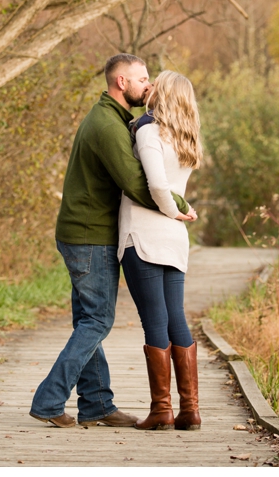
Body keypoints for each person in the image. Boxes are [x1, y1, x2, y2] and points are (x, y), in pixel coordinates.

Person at [29, 53, 196, 428]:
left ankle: (97, 404)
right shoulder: (108, 125)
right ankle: (49, 399)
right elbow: (138, 184)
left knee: (88, 319)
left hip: (87, 232)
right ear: (122, 82)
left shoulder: (118, 121)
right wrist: (182, 205)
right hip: (90, 235)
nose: (148, 84)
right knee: (98, 321)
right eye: (142, 78)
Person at [121, 69, 203, 430]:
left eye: (156, 84)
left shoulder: (148, 130)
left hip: (145, 235)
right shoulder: (187, 138)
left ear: (164, 94)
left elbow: (156, 186)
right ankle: (190, 410)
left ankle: (161, 410)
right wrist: (179, 213)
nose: (149, 87)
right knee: (176, 319)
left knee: (155, 321)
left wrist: (174, 209)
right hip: (174, 238)